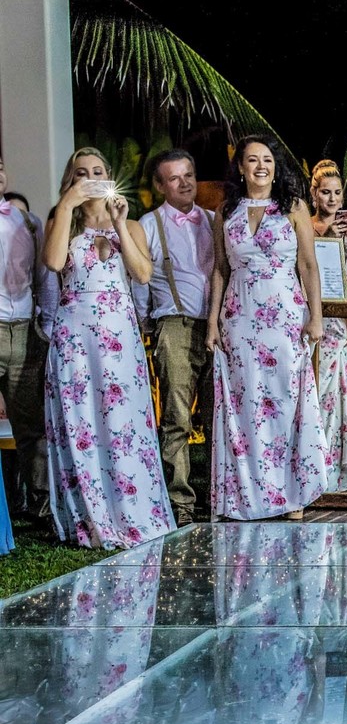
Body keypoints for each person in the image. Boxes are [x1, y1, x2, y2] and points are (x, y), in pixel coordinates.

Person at [43, 147, 175, 548]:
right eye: (81, 172)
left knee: (123, 422)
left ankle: (132, 508)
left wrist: (118, 223)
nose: (90, 177)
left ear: (109, 175)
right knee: (81, 421)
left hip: (119, 336)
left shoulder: (130, 224)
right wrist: (67, 204)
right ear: (72, 179)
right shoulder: (61, 219)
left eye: (98, 171)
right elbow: (52, 263)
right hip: (74, 336)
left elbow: (142, 274)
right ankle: (90, 516)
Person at [206, 135, 328, 521]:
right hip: (239, 317)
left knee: (286, 401)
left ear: (276, 168)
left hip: (285, 317)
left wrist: (317, 315)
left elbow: (309, 265)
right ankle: (248, 496)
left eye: (268, 160)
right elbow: (220, 269)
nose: (261, 166)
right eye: (253, 160)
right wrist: (213, 321)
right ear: (240, 168)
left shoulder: (293, 208)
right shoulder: (226, 211)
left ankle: (292, 496)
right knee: (246, 406)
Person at [133, 150, 215, 526]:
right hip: (174, 326)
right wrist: (145, 322)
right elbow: (140, 279)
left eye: (189, 174)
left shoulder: (214, 221)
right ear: (160, 186)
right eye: (175, 178)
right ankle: (180, 503)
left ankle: (218, 497)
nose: (185, 183)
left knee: (218, 418)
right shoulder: (149, 224)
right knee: (177, 418)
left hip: (218, 328)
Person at [0, 156, 55, 518]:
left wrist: (47, 326)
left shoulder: (30, 223)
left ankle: (40, 505)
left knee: (31, 427)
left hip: (22, 330)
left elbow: (44, 278)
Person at [309, 160, 347, 492]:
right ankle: (311, 469)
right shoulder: (305, 225)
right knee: (313, 394)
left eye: (337, 193)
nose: (331, 199)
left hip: (337, 320)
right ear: (315, 194)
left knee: (333, 397)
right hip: (310, 316)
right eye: (325, 193)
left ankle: (329, 470)